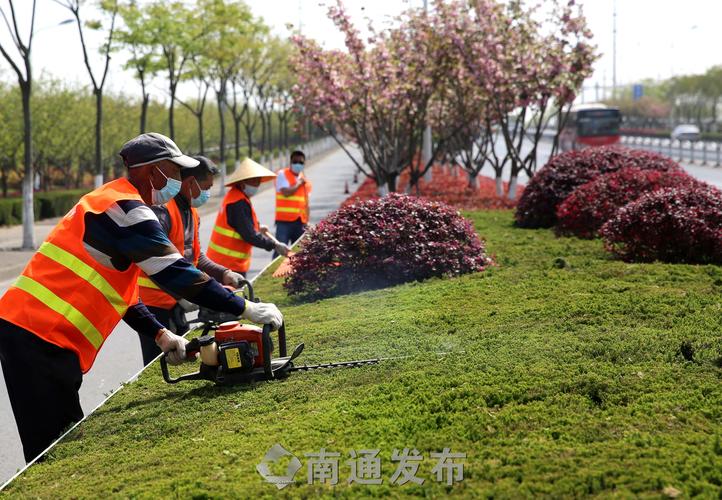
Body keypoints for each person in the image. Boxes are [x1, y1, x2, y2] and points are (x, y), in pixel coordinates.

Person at [0, 133, 282, 463]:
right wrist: (246, 308)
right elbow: (177, 273)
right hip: (36, 333)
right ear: (155, 171)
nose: (179, 180)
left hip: (43, 336)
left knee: (62, 437)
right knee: (50, 448)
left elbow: (122, 294)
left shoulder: (118, 202)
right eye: (176, 172)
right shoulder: (126, 208)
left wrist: (161, 335)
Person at [136, 155, 247, 365]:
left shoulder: (192, 213)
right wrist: (180, 295)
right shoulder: (162, 212)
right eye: (206, 187)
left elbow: (196, 256)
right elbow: (152, 261)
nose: (207, 193)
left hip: (176, 300)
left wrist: (224, 273)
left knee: (186, 355)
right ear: (190, 183)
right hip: (154, 305)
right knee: (157, 364)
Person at [206, 158, 290, 275]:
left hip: (222, 263)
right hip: (227, 265)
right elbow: (249, 235)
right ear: (243, 182)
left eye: (258, 181)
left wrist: (258, 227)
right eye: (254, 181)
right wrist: (274, 245)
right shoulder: (238, 202)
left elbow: (239, 224)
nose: (257, 185)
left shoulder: (235, 196)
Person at [274, 150, 312, 255]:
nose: (298, 164)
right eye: (295, 161)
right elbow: (286, 192)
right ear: (291, 162)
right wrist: (299, 183)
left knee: (300, 253)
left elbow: (307, 204)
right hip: (284, 221)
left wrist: (307, 222)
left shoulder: (306, 182)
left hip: (300, 222)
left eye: (301, 162)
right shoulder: (282, 174)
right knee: (280, 253)